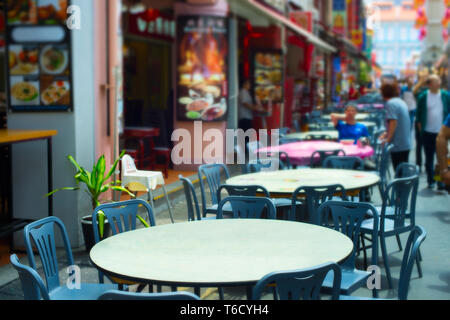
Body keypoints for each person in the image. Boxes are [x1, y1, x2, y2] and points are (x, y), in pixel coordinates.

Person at [416, 75, 450, 189]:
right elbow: (419, 116)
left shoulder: (445, 95)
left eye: (438, 80)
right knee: (429, 158)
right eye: (436, 81)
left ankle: (440, 181)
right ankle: (431, 180)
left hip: (442, 133)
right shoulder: (423, 96)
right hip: (427, 132)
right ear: (429, 84)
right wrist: (421, 130)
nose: (438, 83)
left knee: (441, 158)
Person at [380, 82, 412, 171]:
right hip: (405, 143)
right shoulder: (400, 101)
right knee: (403, 172)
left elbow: (393, 121)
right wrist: (386, 133)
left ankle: (401, 185)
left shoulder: (391, 103)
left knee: (399, 172)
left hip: (398, 144)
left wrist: (388, 139)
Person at [436, 114, 450, 187]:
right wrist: (444, 170)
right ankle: (438, 182)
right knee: (431, 159)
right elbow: (441, 137)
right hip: (429, 133)